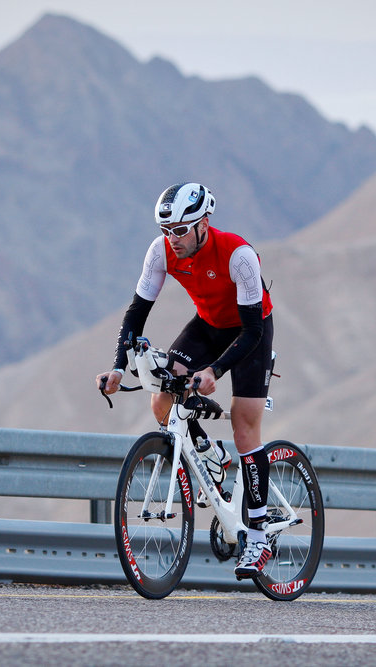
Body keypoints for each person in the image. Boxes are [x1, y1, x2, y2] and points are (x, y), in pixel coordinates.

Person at [96, 182, 275, 578]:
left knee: (244, 423)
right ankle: (210, 455)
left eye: (180, 230)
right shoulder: (160, 252)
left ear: (203, 225)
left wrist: (215, 371)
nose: (171, 239)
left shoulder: (239, 255)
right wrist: (118, 368)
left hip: (250, 330)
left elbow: (251, 333)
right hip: (208, 326)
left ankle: (260, 532)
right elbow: (135, 314)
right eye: (166, 230)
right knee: (161, 398)